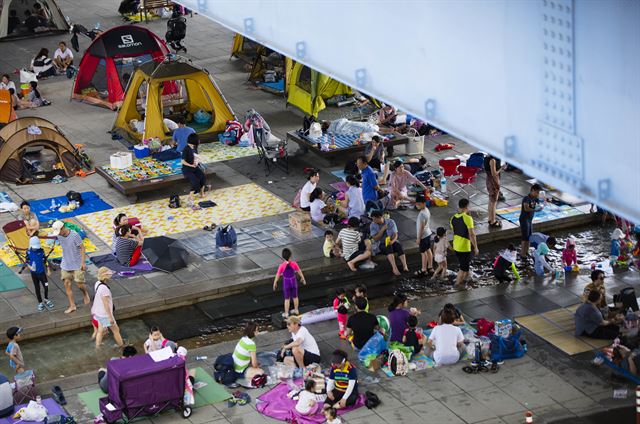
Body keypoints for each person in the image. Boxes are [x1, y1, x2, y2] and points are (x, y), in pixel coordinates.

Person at [52, 220, 89, 314]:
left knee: (79, 284)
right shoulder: (59, 235)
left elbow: (82, 248)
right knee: (67, 284)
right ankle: (72, 305)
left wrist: (83, 262)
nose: (58, 234)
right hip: (65, 263)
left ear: (63, 227)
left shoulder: (74, 235)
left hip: (77, 263)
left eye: (59, 231)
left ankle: (85, 293)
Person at [92, 267, 124, 348]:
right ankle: (122, 346)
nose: (110, 274)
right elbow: (106, 304)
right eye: (108, 273)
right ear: (105, 275)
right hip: (104, 314)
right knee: (116, 330)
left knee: (100, 331)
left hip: (98, 312)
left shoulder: (97, 283)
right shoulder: (104, 289)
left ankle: (97, 347)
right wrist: (110, 317)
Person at [450, 199, 479, 288]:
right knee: (462, 268)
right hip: (464, 247)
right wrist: (476, 247)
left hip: (456, 245)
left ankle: (464, 281)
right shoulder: (468, 218)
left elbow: (454, 231)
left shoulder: (453, 218)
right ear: (467, 207)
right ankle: (457, 285)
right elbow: (472, 234)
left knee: (465, 265)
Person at [370, 210, 408, 275]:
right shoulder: (372, 225)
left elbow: (395, 234)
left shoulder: (390, 222)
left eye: (374, 219)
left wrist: (392, 241)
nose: (373, 221)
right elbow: (375, 238)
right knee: (388, 247)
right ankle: (394, 268)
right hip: (380, 244)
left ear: (380, 217)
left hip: (391, 241)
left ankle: (405, 266)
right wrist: (382, 230)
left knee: (398, 246)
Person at [273, 248, 307, 317]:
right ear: (290, 255)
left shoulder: (281, 266)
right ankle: (296, 310)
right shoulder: (294, 264)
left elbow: (278, 275)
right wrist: (303, 278)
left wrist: (275, 283)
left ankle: (286, 313)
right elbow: (299, 271)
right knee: (295, 296)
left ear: (282, 257)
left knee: (287, 298)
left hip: (286, 282)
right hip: (293, 281)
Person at [27, 236, 54, 312]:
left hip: (42, 273)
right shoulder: (28, 251)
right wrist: (30, 267)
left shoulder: (41, 250)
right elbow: (27, 260)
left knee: (46, 286)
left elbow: (45, 260)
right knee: (37, 288)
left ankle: (46, 299)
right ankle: (40, 302)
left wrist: (48, 269)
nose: (36, 248)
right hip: (34, 273)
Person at [519, 184, 544, 259]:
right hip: (524, 219)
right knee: (525, 237)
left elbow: (541, 203)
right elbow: (526, 208)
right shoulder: (526, 198)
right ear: (532, 190)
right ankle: (522, 254)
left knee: (529, 237)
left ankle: (526, 251)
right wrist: (535, 210)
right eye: (537, 192)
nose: (537, 194)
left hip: (529, 220)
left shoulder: (535, 198)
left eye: (538, 193)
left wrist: (542, 205)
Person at [181, 133, 207, 204]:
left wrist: (198, 161)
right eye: (198, 140)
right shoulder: (186, 149)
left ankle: (201, 193)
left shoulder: (194, 147)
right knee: (195, 181)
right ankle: (190, 196)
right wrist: (190, 165)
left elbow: (196, 156)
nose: (199, 141)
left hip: (195, 167)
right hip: (187, 169)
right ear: (194, 140)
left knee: (203, 177)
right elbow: (182, 161)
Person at [484, 154, 506, 228]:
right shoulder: (492, 160)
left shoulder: (487, 157)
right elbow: (494, 174)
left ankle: (490, 219)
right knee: (493, 202)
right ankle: (493, 221)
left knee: (491, 201)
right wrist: (501, 168)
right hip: (493, 181)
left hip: (489, 180)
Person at [415, 194, 433, 277]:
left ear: (424, 203)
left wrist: (419, 238)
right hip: (428, 233)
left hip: (423, 235)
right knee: (428, 250)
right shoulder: (427, 210)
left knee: (423, 252)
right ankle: (430, 267)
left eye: (419, 204)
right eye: (416, 204)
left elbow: (421, 227)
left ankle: (423, 269)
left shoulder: (422, 214)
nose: (417, 206)